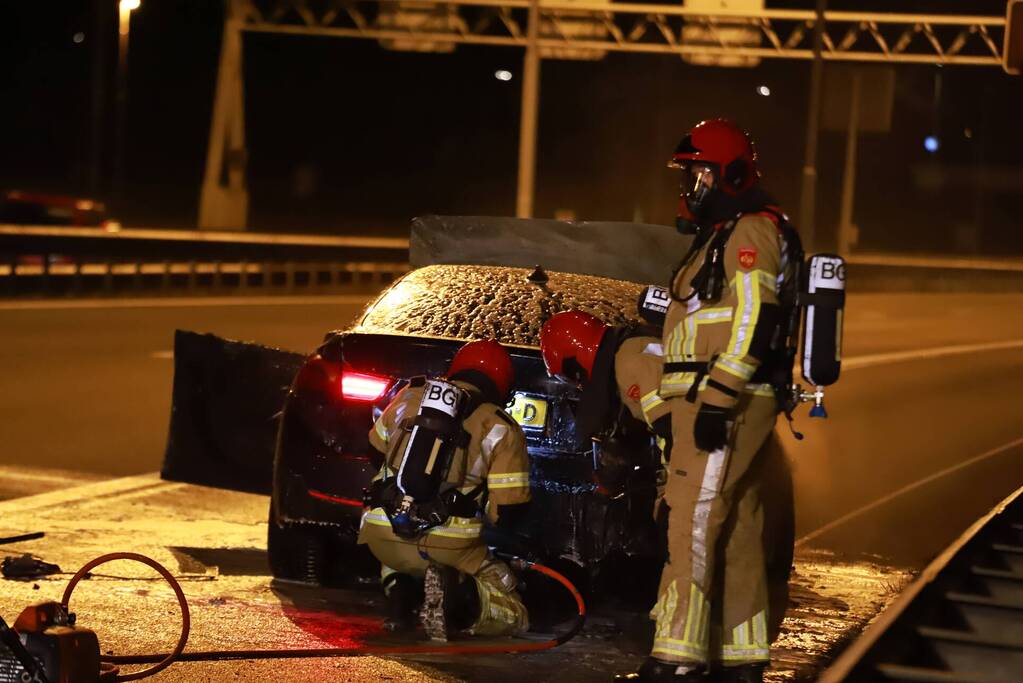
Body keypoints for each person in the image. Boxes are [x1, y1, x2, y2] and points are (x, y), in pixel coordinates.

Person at [616, 119, 801, 683]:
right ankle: (742, 657)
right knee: (739, 524)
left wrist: (719, 397)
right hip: (720, 394)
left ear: (732, 174)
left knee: (690, 520)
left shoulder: (750, 231)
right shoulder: (727, 233)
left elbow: (754, 316)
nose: (691, 186)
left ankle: (678, 656)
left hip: (720, 397)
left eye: (700, 174)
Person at [359, 339, 531, 640]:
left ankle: (400, 595)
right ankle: (458, 594)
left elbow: (374, 451)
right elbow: (508, 511)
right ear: (504, 385)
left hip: (381, 534)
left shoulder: (409, 395)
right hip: (452, 549)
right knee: (515, 610)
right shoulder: (501, 425)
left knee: (400, 551)